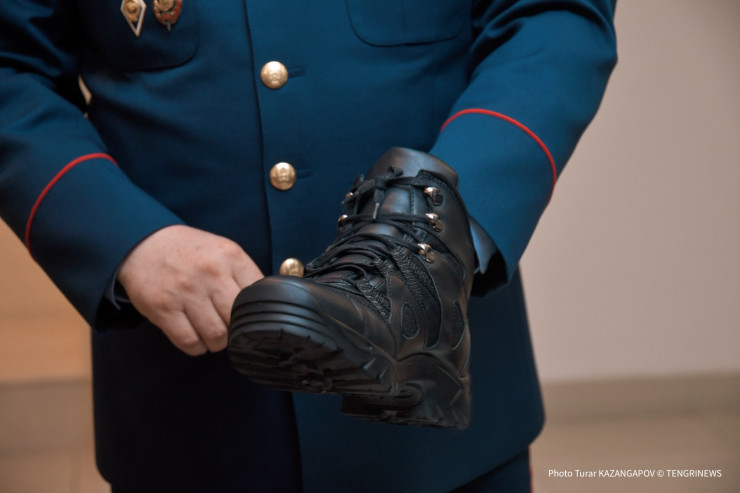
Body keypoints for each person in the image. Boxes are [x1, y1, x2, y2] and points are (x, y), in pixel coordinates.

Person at [0, 1, 617, 491]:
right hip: (191, 414)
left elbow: (549, 14)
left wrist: (439, 221)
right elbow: (11, 67)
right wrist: (126, 237)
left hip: (434, 417)